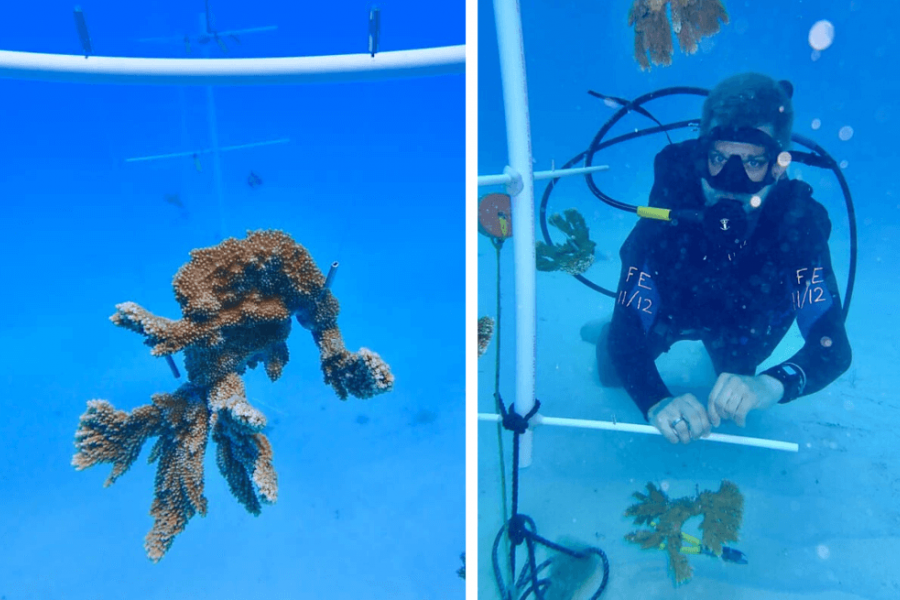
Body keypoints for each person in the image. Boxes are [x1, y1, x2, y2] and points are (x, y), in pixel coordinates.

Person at [596, 72, 852, 444]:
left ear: (778, 166)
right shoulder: (673, 196)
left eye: (752, 163)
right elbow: (627, 330)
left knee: (733, 393)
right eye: (718, 157)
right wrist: (656, 401)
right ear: (701, 154)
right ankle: (598, 332)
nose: (730, 181)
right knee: (613, 368)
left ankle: (732, 362)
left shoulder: (797, 223)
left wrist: (769, 385)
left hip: (746, 322)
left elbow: (832, 347)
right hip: (675, 308)